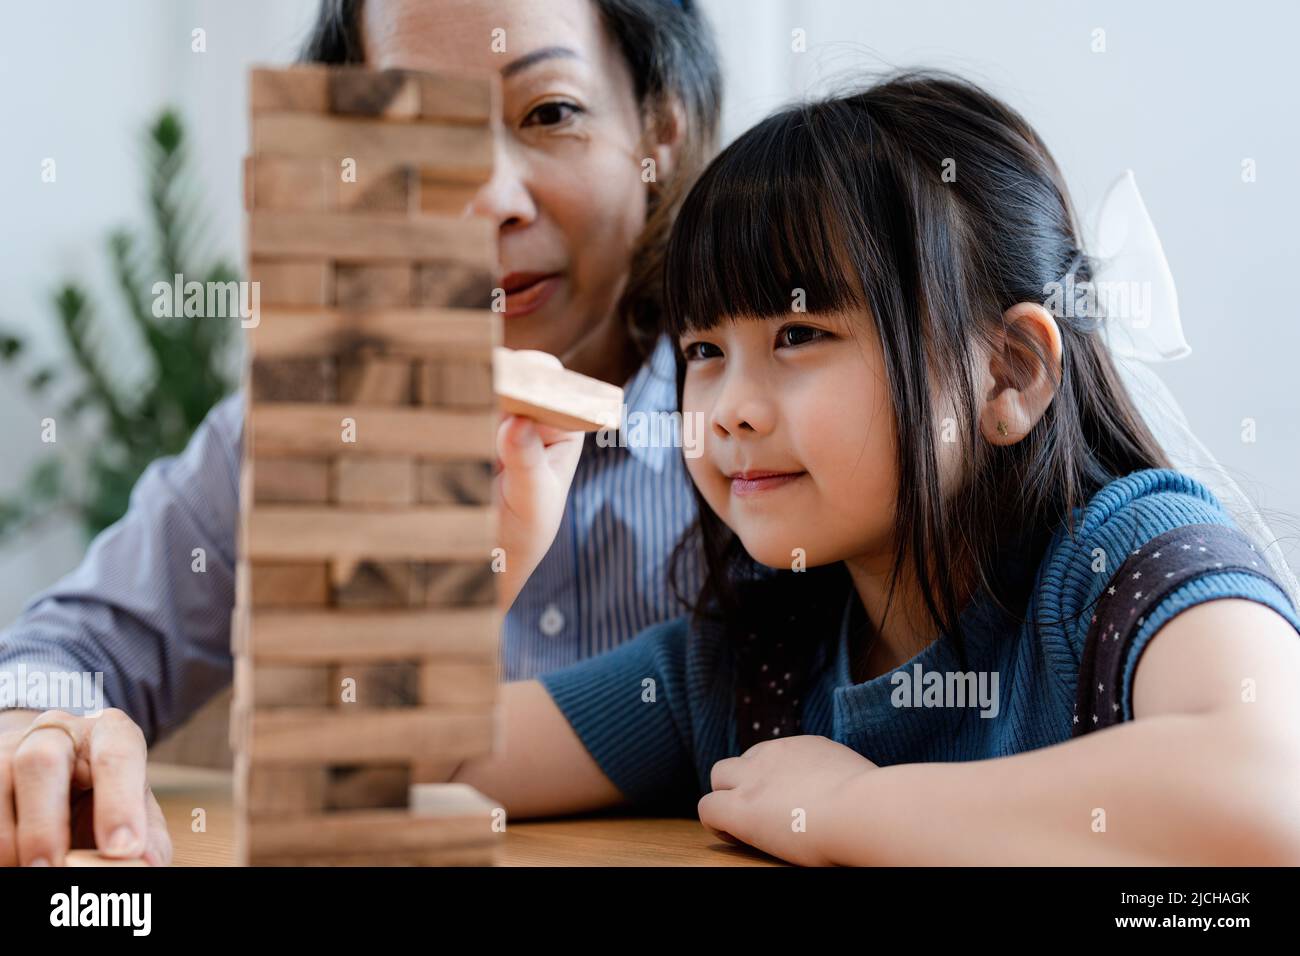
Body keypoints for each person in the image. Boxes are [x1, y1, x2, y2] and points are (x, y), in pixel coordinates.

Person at [436, 72, 1300, 865]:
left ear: (1009, 373)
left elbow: (1270, 789)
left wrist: (852, 806)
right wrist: (496, 551)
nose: (729, 406)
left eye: (800, 335)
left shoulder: (1125, 559)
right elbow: (367, 759)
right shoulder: (753, 659)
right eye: (703, 348)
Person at [0, 0, 720, 867]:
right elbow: (64, 649)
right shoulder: (289, 429)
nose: (488, 199)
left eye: (549, 113)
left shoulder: (771, 436)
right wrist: (35, 732)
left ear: (661, 128)